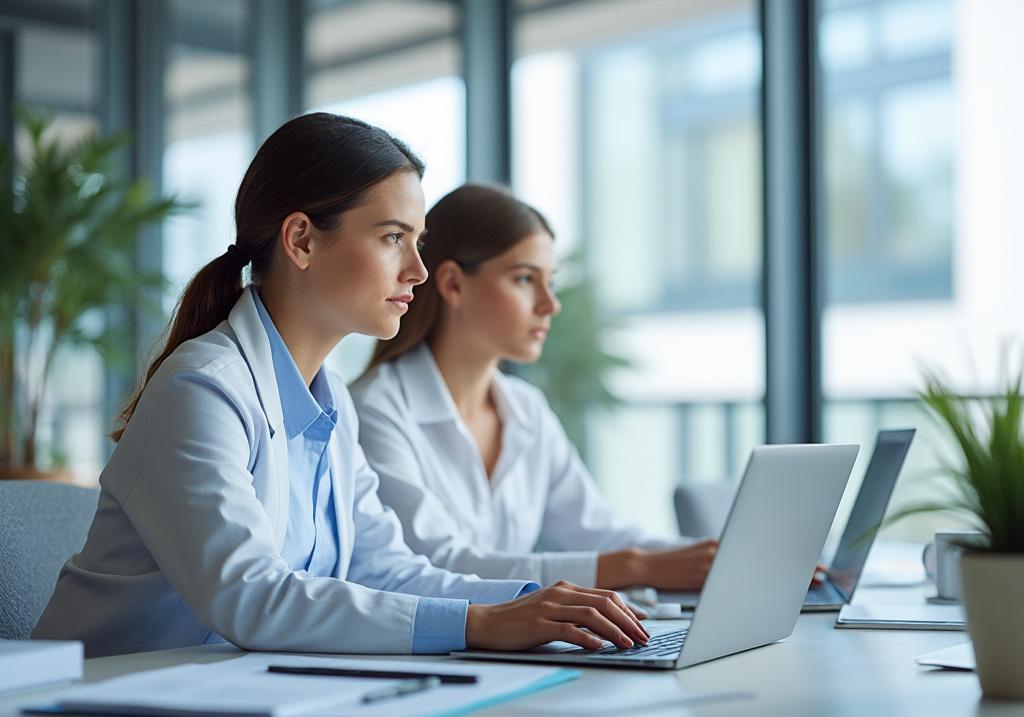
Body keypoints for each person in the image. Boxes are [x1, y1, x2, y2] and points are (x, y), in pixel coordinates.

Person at [32, 114, 648, 658]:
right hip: (96, 710)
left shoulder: (332, 407)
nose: (419, 271)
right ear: (301, 239)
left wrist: (536, 603)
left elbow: (381, 566)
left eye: (418, 242)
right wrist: (480, 622)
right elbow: (249, 596)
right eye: (392, 238)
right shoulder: (201, 388)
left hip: (229, 701)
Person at [351, 183, 719, 592]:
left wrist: (714, 556)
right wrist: (635, 567)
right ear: (453, 284)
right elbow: (436, 562)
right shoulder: (375, 410)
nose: (549, 304)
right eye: (525, 279)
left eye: (551, 282)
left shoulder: (526, 409)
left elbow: (600, 532)